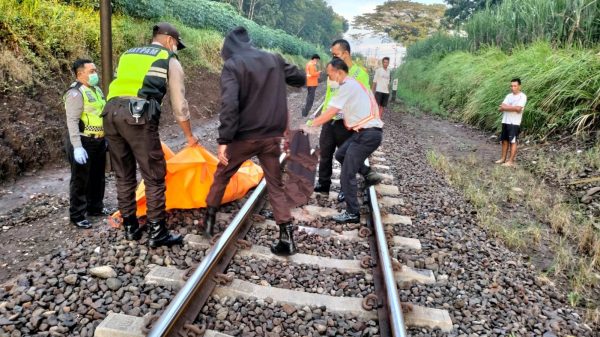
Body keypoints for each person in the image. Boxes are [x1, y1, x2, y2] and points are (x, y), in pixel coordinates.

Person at [204, 26, 305, 256]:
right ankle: (286, 237)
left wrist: (224, 140)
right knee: (275, 185)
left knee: (222, 173)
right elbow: (299, 78)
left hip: (244, 138)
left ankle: (209, 222)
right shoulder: (273, 58)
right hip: (271, 137)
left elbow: (229, 105)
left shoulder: (233, 65)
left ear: (229, 48)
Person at [103, 22, 198, 247]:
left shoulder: (128, 54)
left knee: (123, 174)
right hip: (137, 117)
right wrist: (189, 137)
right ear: (169, 40)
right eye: (176, 44)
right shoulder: (169, 59)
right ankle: (158, 233)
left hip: (110, 114)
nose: (176, 48)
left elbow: (119, 85)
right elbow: (179, 105)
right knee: (154, 176)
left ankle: (130, 228)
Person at [304, 58, 383, 224]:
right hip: (362, 133)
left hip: (367, 134)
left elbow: (331, 112)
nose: (329, 77)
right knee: (341, 154)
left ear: (339, 72)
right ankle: (367, 173)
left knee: (347, 174)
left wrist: (310, 124)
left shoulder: (347, 86)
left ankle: (352, 213)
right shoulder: (352, 84)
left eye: (330, 73)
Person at [312, 39, 381, 200]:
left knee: (346, 156)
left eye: (336, 54)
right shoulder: (333, 71)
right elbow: (329, 96)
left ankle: (345, 188)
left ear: (346, 54)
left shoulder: (360, 74)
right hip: (331, 120)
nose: (333, 57)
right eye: (332, 55)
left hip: (347, 123)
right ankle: (323, 184)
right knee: (326, 152)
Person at [64, 59, 108, 229]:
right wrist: (77, 146)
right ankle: (77, 215)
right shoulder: (75, 93)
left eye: (95, 70)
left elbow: (101, 114)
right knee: (80, 179)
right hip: (83, 140)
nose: (95, 74)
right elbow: (72, 121)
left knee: (97, 176)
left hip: (98, 139)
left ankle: (95, 207)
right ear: (80, 73)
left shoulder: (96, 90)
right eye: (91, 71)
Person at [495, 78, 527, 167]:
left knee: (513, 141)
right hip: (505, 120)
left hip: (514, 122)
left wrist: (506, 107)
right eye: (511, 86)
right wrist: (511, 107)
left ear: (519, 86)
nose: (513, 88)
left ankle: (511, 161)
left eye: (515, 86)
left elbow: (518, 109)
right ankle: (503, 158)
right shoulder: (508, 96)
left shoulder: (522, 96)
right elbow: (500, 108)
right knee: (504, 140)